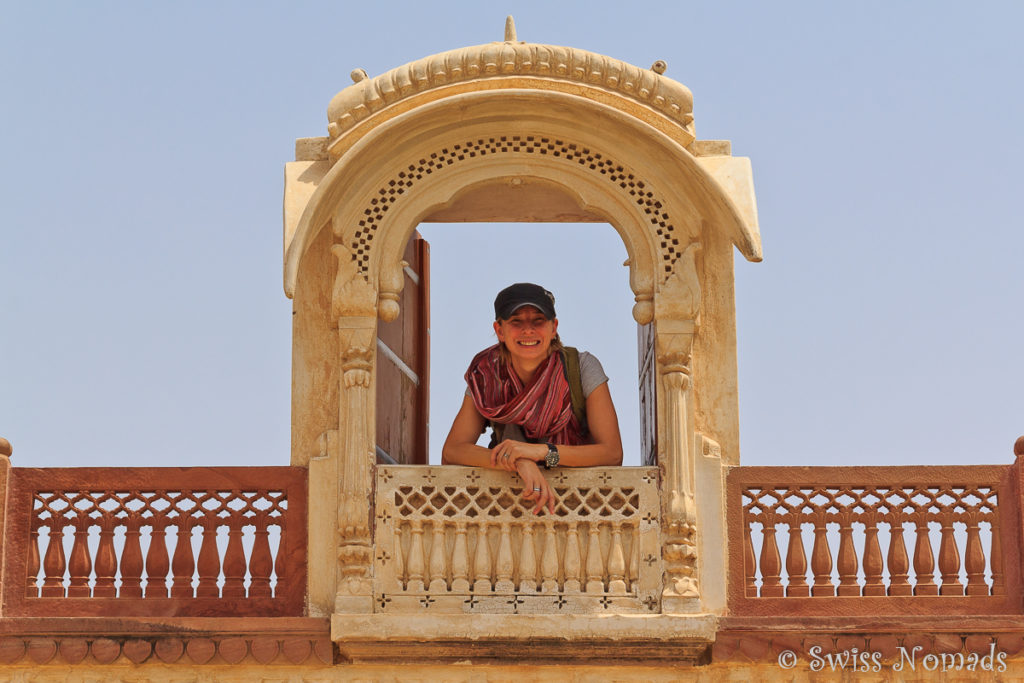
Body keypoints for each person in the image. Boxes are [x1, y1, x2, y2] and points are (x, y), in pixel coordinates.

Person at [441, 283, 623, 514]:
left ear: (553, 327)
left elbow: (612, 454)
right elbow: (453, 451)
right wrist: (518, 461)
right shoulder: (486, 375)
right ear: (499, 330)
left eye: (538, 320)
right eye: (516, 321)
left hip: (582, 503)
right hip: (506, 504)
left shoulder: (581, 367)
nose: (528, 330)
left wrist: (543, 454)